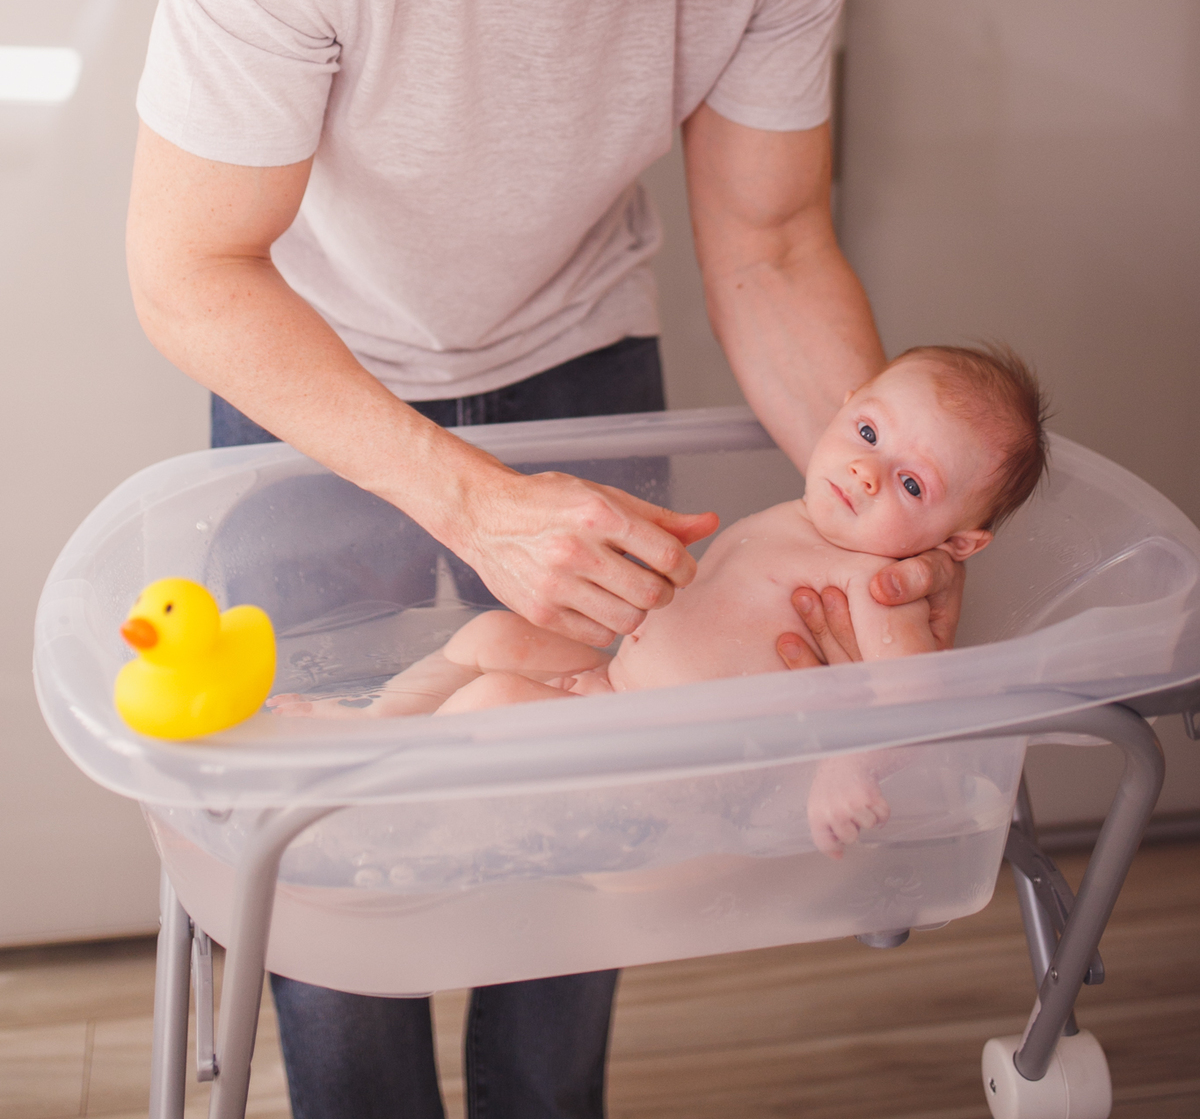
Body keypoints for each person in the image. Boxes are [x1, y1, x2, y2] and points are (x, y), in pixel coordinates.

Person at [127, 0, 965, 1119]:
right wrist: (470, 504)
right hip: (326, 385)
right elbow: (188, 271)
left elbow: (776, 237)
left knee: (595, 820)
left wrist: (879, 524)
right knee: (341, 852)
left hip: (587, 353)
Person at [275, 345, 1048, 856]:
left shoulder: (877, 586)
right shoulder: (802, 516)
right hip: (616, 688)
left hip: (660, 769)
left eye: (913, 485)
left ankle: (378, 803)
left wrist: (852, 763)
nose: (869, 472)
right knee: (495, 638)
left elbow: (916, 695)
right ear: (843, 407)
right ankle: (376, 728)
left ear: (957, 544)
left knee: (492, 701)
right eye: (869, 431)